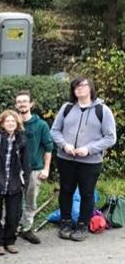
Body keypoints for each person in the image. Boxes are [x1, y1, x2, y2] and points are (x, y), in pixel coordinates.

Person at [50, 77, 116, 242]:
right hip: (65, 159)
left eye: (82, 86)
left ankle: (82, 226)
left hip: (90, 162)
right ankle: (65, 223)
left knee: (87, 194)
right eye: (75, 87)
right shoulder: (67, 108)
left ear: (90, 88)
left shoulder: (103, 110)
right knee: (66, 191)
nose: (79, 89)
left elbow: (110, 137)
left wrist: (89, 149)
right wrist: (64, 145)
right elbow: (55, 131)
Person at [0, 110, 29, 256]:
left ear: (17, 124)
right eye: (7, 121)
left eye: (13, 121)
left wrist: (25, 179)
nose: (10, 124)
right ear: (2, 123)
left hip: (15, 182)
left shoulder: (22, 139)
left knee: (13, 214)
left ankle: (10, 241)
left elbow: (26, 161)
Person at [15, 90, 53, 244]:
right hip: (14, 170)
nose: (22, 104)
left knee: (30, 201)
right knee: (14, 200)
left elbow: (49, 147)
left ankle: (26, 229)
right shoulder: (12, 123)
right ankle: (13, 227)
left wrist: (46, 169)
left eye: (25, 101)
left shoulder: (41, 125)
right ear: (15, 105)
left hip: (35, 169)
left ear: (31, 104)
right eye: (19, 101)